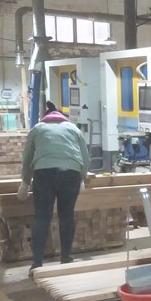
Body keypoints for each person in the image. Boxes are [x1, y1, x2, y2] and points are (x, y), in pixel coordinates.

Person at [19, 101, 89, 274]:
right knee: (67, 216)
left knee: (42, 217)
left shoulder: (37, 129)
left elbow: (27, 157)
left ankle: (37, 262)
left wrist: (25, 182)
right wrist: (82, 178)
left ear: (46, 118)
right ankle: (66, 257)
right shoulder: (74, 129)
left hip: (44, 174)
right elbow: (85, 157)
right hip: (70, 174)